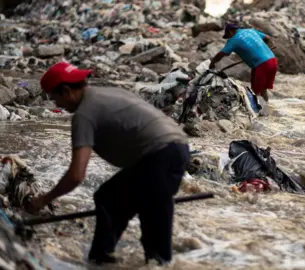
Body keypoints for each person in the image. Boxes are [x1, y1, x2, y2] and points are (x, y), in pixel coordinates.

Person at [28, 62, 190, 266]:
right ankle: (101, 259)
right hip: (173, 149)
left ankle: (150, 260)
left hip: (160, 155)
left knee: (153, 225)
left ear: (67, 91)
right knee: (109, 199)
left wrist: (44, 199)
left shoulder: (84, 114)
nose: (57, 105)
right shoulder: (107, 93)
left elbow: (76, 175)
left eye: (55, 98)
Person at [209, 24, 277, 103]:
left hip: (261, 64)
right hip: (272, 60)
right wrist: (262, 49)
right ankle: (266, 109)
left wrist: (212, 63)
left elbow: (222, 54)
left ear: (230, 31)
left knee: (256, 91)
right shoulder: (250, 31)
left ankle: (259, 111)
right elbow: (267, 38)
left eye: (228, 35)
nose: (229, 37)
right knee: (263, 89)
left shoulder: (233, 40)